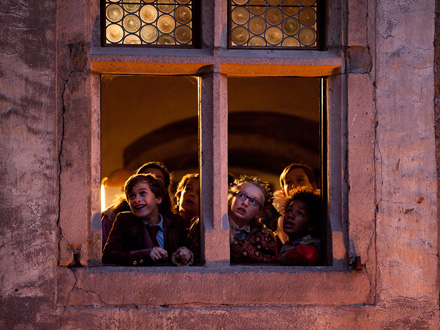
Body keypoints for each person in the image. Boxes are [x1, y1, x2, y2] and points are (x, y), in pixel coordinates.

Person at [102, 173, 193, 266]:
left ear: (158, 199)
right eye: (131, 196)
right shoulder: (124, 221)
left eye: (142, 193)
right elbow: (108, 256)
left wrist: (185, 255)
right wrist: (146, 255)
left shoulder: (176, 222)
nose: (137, 199)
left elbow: (187, 251)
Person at [101, 161, 175, 249]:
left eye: (157, 180)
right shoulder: (114, 217)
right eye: (145, 178)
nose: (150, 183)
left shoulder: (172, 221)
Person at [228, 176, 278, 264]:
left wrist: (234, 242)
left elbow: (270, 261)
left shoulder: (265, 237)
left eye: (253, 201)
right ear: (232, 198)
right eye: (242, 195)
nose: (245, 203)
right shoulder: (210, 223)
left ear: (259, 213)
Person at [273, 163, 319, 246]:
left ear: (313, 186)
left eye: (300, 180)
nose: (294, 185)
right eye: (289, 182)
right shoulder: (281, 220)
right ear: (283, 191)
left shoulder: (323, 211)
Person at [277, 187, 321, 266]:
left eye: (300, 213)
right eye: (289, 210)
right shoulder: (288, 244)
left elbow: (307, 256)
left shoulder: (311, 245)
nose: (290, 215)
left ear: (311, 225)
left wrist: (277, 258)